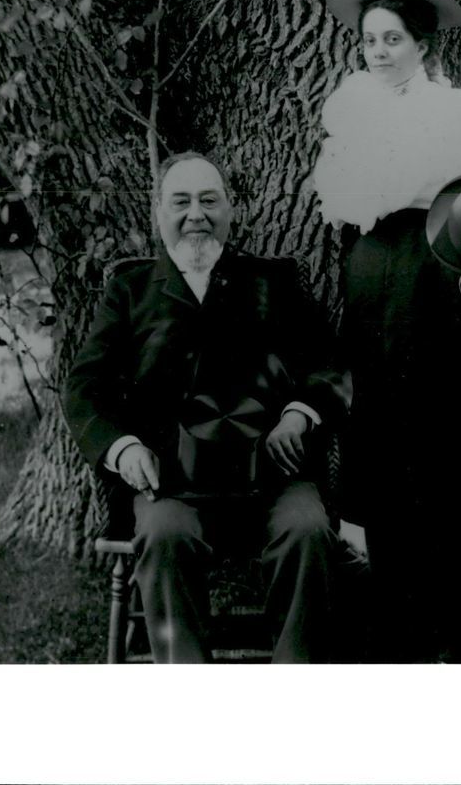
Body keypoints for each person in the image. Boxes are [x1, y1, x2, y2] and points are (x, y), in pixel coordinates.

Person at [65, 151, 351, 663]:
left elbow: (329, 364)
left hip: (272, 477)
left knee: (309, 530)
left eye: (208, 200)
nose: (195, 214)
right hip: (172, 483)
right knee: (163, 536)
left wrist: (299, 412)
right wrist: (123, 449)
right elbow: (86, 387)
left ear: (231, 208)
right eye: (180, 202)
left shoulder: (274, 281)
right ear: (158, 212)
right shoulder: (130, 291)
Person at [313, 0, 461, 661]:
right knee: (381, 423)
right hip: (370, 269)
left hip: (433, 268)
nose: (380, 52)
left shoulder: (457, 114)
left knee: (442, 423)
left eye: (393, 39)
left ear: (423, 45)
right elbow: (348, 202)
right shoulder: (352, 108)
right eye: (370, 41)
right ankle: (396, 619)